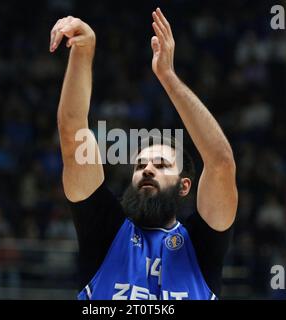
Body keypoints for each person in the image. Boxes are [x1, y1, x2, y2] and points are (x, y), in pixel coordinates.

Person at [51, 8, 237, 300]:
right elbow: (73, 136)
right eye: (140, 165)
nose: (147, 170)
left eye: (161, 164)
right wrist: (83, 49)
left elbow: (221, 163)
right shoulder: (105, 232)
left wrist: (167, 76)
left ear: (184, 185)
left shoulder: (202, 246)